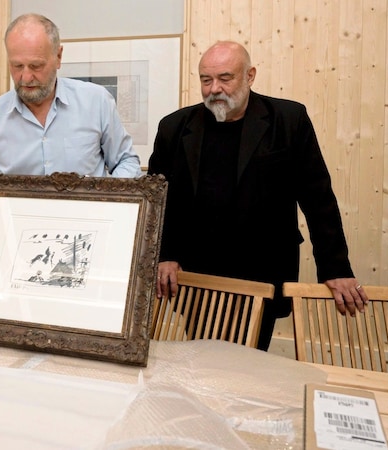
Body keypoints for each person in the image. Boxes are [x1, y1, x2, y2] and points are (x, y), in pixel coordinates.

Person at [148, 40, 367, 351]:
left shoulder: (288, 120)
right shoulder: (174, 127)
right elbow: (158, 200)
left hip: (262, 270)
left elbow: (318, 199)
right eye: (206, 80)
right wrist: (165, 254)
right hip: (196, 273)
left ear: (249, 76)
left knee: (248, 364)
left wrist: (335, 268)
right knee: (200, 361)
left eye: (225, 78)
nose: (214, 89)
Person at [0, 13, 141, 288]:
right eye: (16, 66)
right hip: (19, 253)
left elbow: (126, 161)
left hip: (88, 246)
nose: (25, 77)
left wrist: (104, 205)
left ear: (58, 56)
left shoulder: (97, 102)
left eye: (36, 65)